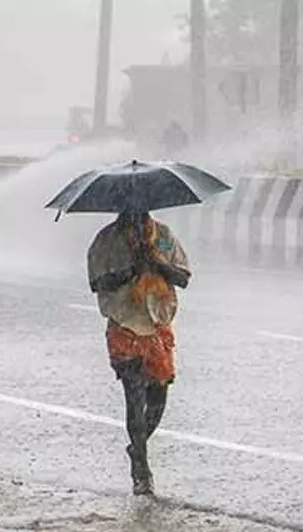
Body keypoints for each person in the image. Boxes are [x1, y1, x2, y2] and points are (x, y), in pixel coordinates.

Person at [87, 211, 191, 495]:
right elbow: (96, 282)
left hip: (157, 326)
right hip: (124, 326)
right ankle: (141, 471)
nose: (137, 213)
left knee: (158, 396)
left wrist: (156, 263)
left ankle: (137, 446)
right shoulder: (107, 241)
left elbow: (183, 277)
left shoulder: (164, 237)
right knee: (134, 398)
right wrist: (130, 271)